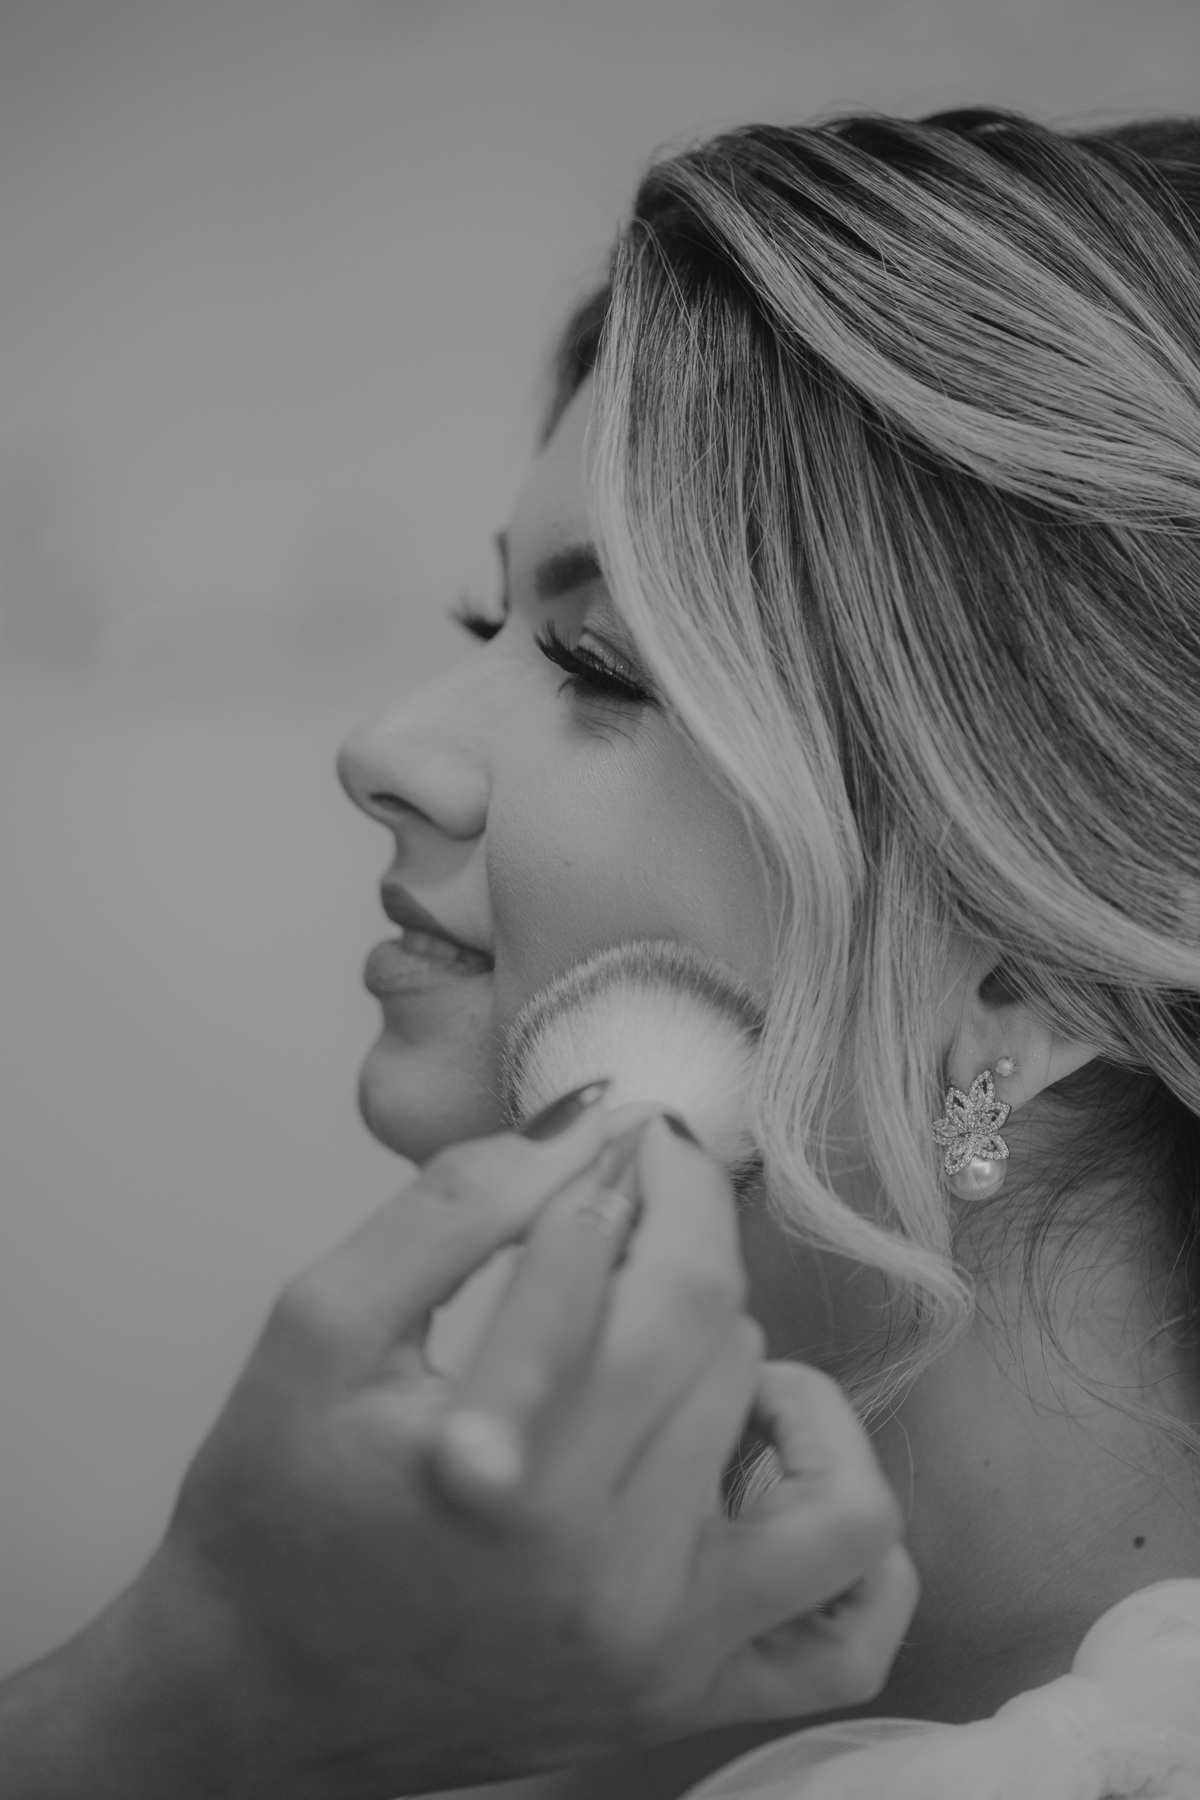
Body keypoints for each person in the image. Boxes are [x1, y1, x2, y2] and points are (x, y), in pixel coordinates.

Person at [3, 100, 1200, 1800]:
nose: (387, 746)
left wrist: (189, 1691)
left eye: (596, 662)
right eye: (487, 624)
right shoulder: (501, 1688)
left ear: (1014, 973)